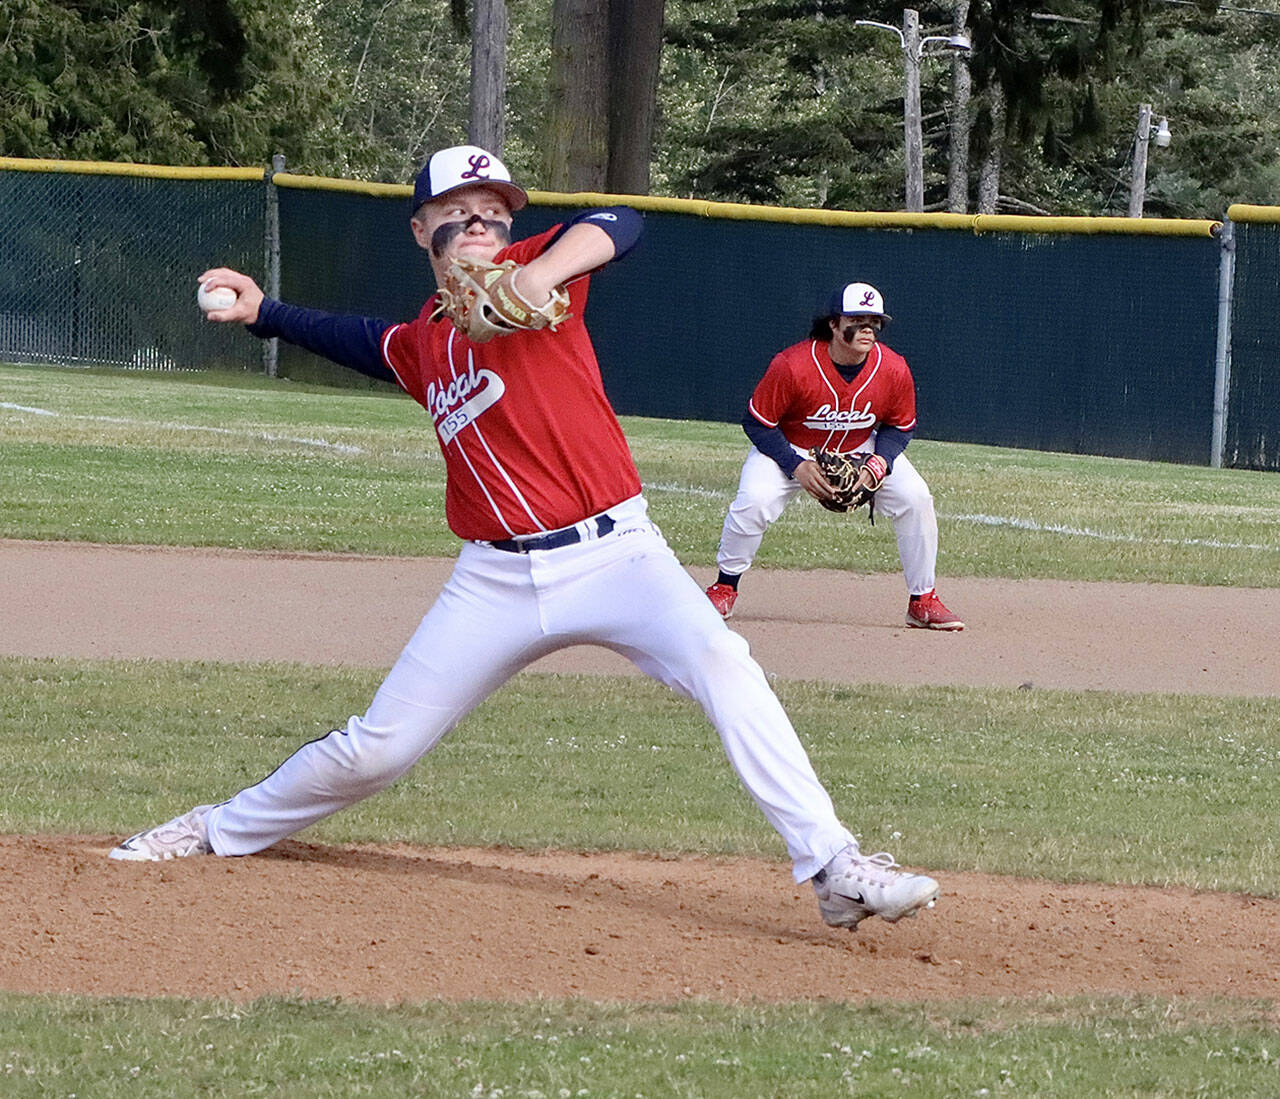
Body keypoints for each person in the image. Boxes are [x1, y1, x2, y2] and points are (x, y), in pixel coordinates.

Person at [108, 145, 939, 931]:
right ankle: (219, 827)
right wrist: (264, 315)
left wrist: (535, 273)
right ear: (419, 228)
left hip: (620, 555)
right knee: (377, 751)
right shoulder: (423, 343)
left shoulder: (547, 278)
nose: (479, 222)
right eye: (458, 210)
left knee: (726, 664)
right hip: (494, 581)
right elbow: (357, 340)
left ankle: (833, 868)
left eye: (492, 210)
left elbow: (619, 222)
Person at [705, 282, 963, 631]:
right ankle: (724, 587)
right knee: (754, 500)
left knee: (916, 498)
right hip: (793, 444)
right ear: (833, 324)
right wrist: (795, 466)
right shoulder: (792, 365)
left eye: (875, 320)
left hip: (861, 445)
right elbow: (758, 422)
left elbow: (900, 426)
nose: (868, 328)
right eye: (857, 319)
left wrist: (879, 463)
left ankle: (923, 600)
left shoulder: (893, 368)